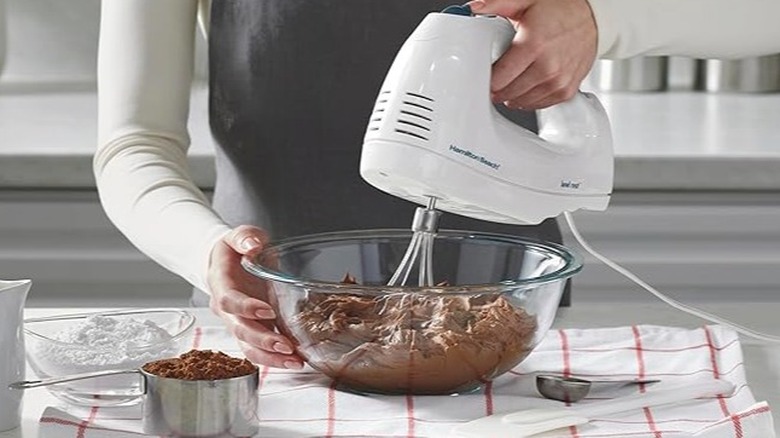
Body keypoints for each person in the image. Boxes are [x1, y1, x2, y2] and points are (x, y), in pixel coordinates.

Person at [95, 0, 780, 370]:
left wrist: (603, 16)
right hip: (271, 328)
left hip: (502, 338)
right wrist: (205, 249)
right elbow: (133, 145)